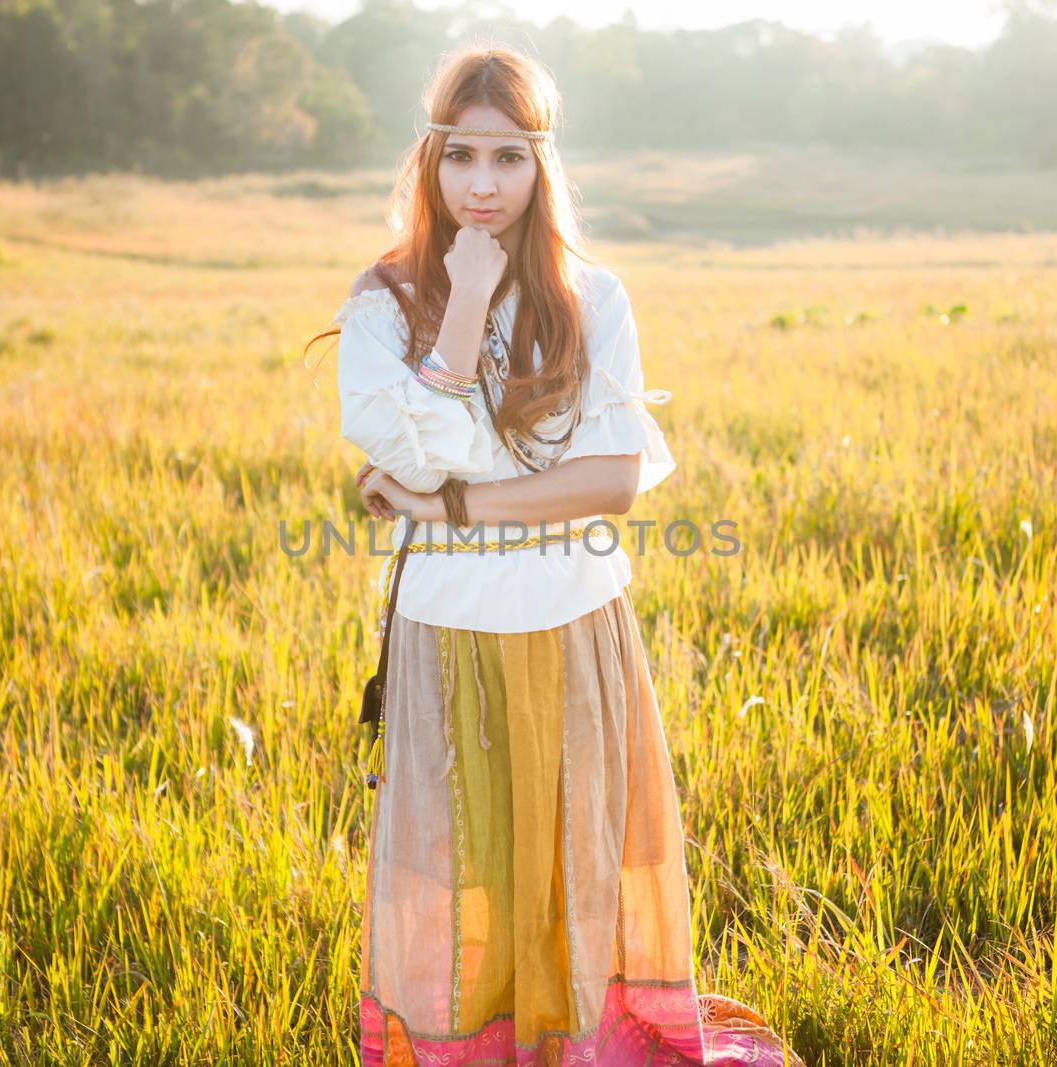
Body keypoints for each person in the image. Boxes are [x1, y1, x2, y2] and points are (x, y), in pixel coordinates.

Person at [316, 42, 804, 1067]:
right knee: (457, 863)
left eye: (507, 158)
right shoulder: (382, 302)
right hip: (447, 628)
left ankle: (577, 1039)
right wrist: (459, 303)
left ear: (542, 166)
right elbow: (404, 447)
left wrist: (444, 507)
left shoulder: (593, 299)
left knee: (574, 862)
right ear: (428, 162)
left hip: (577, 619)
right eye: (459, 158)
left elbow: (610, 483)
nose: (482, 185)